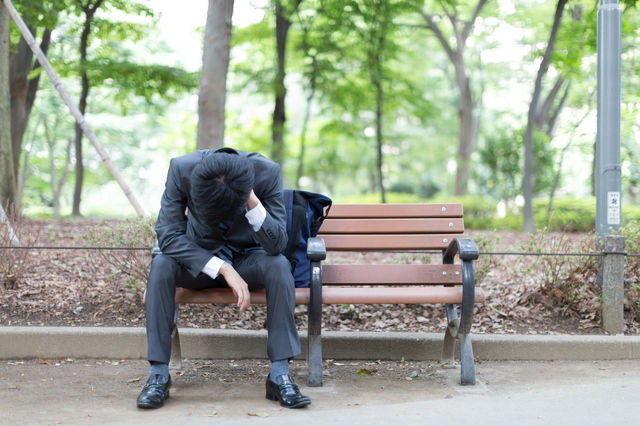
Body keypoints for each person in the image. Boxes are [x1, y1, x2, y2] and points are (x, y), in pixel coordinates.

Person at [136, 148, 310, 409]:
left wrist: (250, 199)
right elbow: (168, 235)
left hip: (248, 260)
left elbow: (277, 246)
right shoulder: (181, 169)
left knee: (279, 265)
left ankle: (279, 373)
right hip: (199, 263)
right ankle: (158, 374)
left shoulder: (266, 172)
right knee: (161, 264)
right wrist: (223, 268)